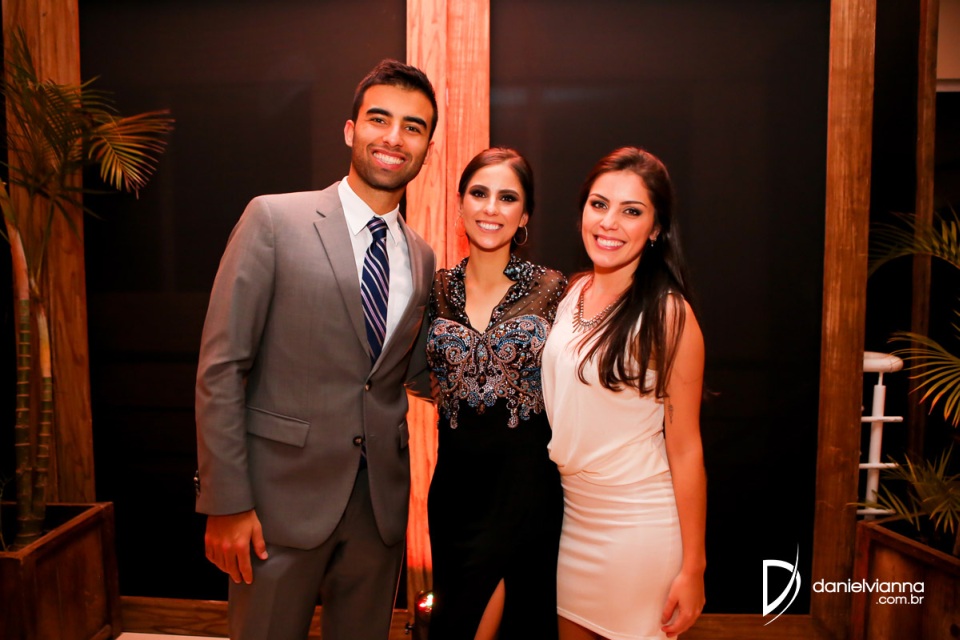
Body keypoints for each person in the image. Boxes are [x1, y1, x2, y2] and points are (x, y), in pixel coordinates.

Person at [194, 59, 438, 640]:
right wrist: (225, 502)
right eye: (379, 119)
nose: (394, 137)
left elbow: (413, 373)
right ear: (351, 130)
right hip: (275, 507)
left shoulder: (423, 256)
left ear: (427, 148)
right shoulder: (274, 219)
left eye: (413, 127)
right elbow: (221, 367)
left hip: (378, 512)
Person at [542, 147, 707, 640]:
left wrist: (694, 567)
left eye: (631, 211)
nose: (609, 222)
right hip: (572, 522)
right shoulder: (571, 292)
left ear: (656, 229)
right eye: (599, 205)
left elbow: (686, 449)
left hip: (639, 530)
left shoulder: (669, 315)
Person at [425, 148, 567, 639]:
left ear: (524, 215)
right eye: (479, 193)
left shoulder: (553, 289)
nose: (491, 208)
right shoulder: (436, 288)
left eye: (508, 198)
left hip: (527, 490)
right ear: (459, 203)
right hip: (454, 493)